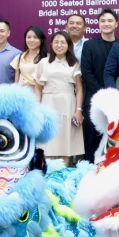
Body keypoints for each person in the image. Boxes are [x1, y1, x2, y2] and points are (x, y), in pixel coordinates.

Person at [35, 31, 84, 164]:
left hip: (68, 105)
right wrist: (37, 109)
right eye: (56, 42)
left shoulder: (74, 63)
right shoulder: (43, 62)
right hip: (48, 103)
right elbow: (38, 88)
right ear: (51, 44)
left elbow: (79, 89)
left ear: (68, 45)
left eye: (63, 42)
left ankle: (63, 177)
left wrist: (78, 110)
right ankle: (49, 176)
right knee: (48, 143)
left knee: (65, 143)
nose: (59, 45)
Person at [81, 9, 119, 162]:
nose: (106, 24)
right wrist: (102, 95)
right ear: (98, 24)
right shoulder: (89, 45)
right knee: (91, 139)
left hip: (116, 101)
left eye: (110, 21)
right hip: (93, 99)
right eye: (103, 21)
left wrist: (114, 95)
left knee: (114, 138)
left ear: (116, 24)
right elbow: (86, 72)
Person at [11, 26, 47, 93]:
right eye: (29, 37)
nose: (31, 40)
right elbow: (16, 82)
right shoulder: (19, 57)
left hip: (38, 92)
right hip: (21, 93)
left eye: (35, 37)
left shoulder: (46, 58)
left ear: (41, 40)